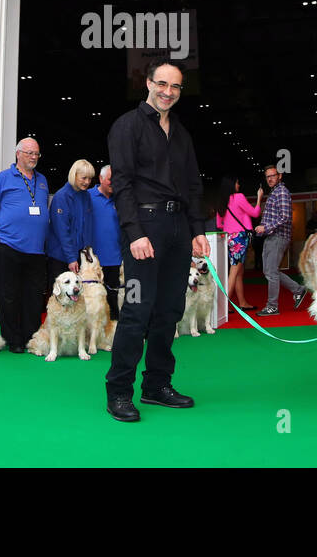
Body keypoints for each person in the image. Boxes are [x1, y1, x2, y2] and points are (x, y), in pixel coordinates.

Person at [104, 59, 210, 423]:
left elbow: (194, 186)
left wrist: (198, 229)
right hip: (144, 228)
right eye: (162, 84)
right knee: (136, 312)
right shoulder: (126, 127)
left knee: (169, 312)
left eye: (175, 86)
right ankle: (119, 391)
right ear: (148, 83)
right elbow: (122, 184)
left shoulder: (182, 134)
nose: (168, 92)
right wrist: (134, 233)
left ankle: (156, 386)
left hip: (179, 229)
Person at [0, 138, 50, 354]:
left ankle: (31, 337)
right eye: (29, 153)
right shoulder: (2, 179)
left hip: (36, 250)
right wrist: (2, 230)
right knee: (8, 295)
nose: (33, 157)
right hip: (9, 246)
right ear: (18, 154)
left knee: (33, 295)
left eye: (37, 154)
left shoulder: (42, 181)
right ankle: (13, 340)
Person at [254, 165, 305, 316]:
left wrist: (265, 227)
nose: (270, 179)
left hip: (278, 237)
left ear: (279, 175)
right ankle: (298, 289)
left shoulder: (281, 191)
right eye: (267, 176)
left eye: (272, 175)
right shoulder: (275, 192)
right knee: (270, 271)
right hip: (272, 236)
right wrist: (264, 228)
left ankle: (272, 306)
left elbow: (285, 217)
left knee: (271, 272)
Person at [211, 175, 262, 310]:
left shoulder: (222, 201)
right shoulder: (238, 197)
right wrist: (259, 198)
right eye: (237, 183)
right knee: (234, 271)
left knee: (238, 270)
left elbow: (218, 224)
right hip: (239, 238)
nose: (239, 185)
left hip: (229, 238)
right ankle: (222, 306)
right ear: (232, 185)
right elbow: (255, 213)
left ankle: (242, 302)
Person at [47, 159, 95, 281]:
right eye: (84, 178)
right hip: (61, 257)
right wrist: (71, 258)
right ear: (74, 175)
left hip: (79, 257)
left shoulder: (86, 196)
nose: (87, 182)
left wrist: (88, 254)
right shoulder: (61, 197)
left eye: (90, 179)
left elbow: (87, 227)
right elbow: (62, 232)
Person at [88, 165, 123, 319]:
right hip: (93, 262)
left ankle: (113, 337)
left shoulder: (122, 199)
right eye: (110, 179)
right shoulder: (87, 197)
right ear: (101, 179)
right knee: (94, 304)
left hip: (116, 260)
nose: (113, 183)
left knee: (114, 303)